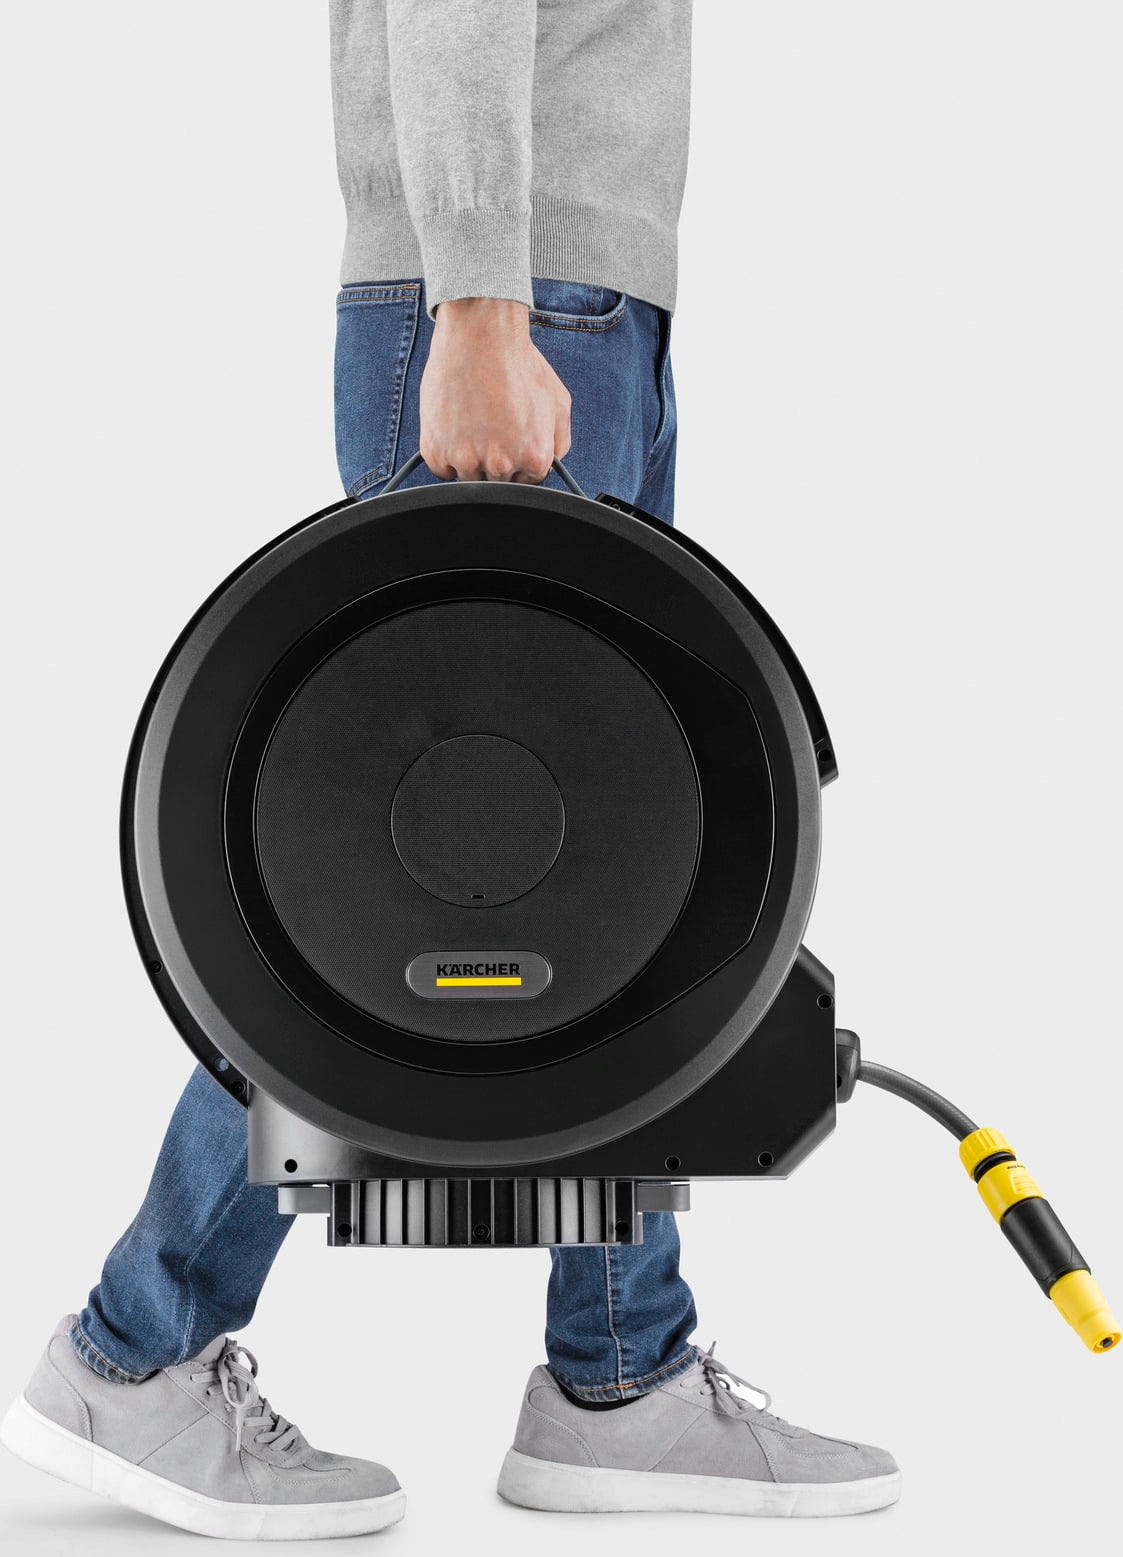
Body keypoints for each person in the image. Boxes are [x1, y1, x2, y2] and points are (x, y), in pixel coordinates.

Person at [1, 1, 899, 1538]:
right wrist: (481, 295)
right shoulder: (493, 294)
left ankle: (618, 1372)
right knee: (395, 900)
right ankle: (134, 1348)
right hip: (513, 300)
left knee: (611, 883)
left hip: (580, 300)